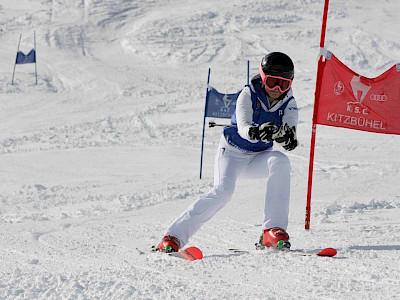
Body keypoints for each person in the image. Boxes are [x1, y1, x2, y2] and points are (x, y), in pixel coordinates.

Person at [156, 52, 299, 253]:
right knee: (223, 192)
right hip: (232, 153)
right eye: (272, 82)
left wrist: (288, 138)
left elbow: (290, 129)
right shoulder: (248, 94)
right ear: (263, 77)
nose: (277, 89)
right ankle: (172, 237)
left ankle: (272, 231)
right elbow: (243, 126)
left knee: (281, 161)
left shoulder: (289, 102)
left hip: (258, 158)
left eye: (283, 84)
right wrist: (257, 131)